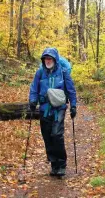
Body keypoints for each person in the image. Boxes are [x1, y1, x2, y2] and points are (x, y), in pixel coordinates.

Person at [29, 47, 77, 177]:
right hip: (44, 109)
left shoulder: (63, 72)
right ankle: (54, 164)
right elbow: (34, 88)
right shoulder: (40, 73)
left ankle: (62, 164)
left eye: (50, 58)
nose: (48, 60)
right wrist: (32, 101)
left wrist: (73, 106)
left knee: (56, 134)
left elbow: (71, 90)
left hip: (59, 109)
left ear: (55, 59)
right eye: (46, 58)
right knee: (47, 136)